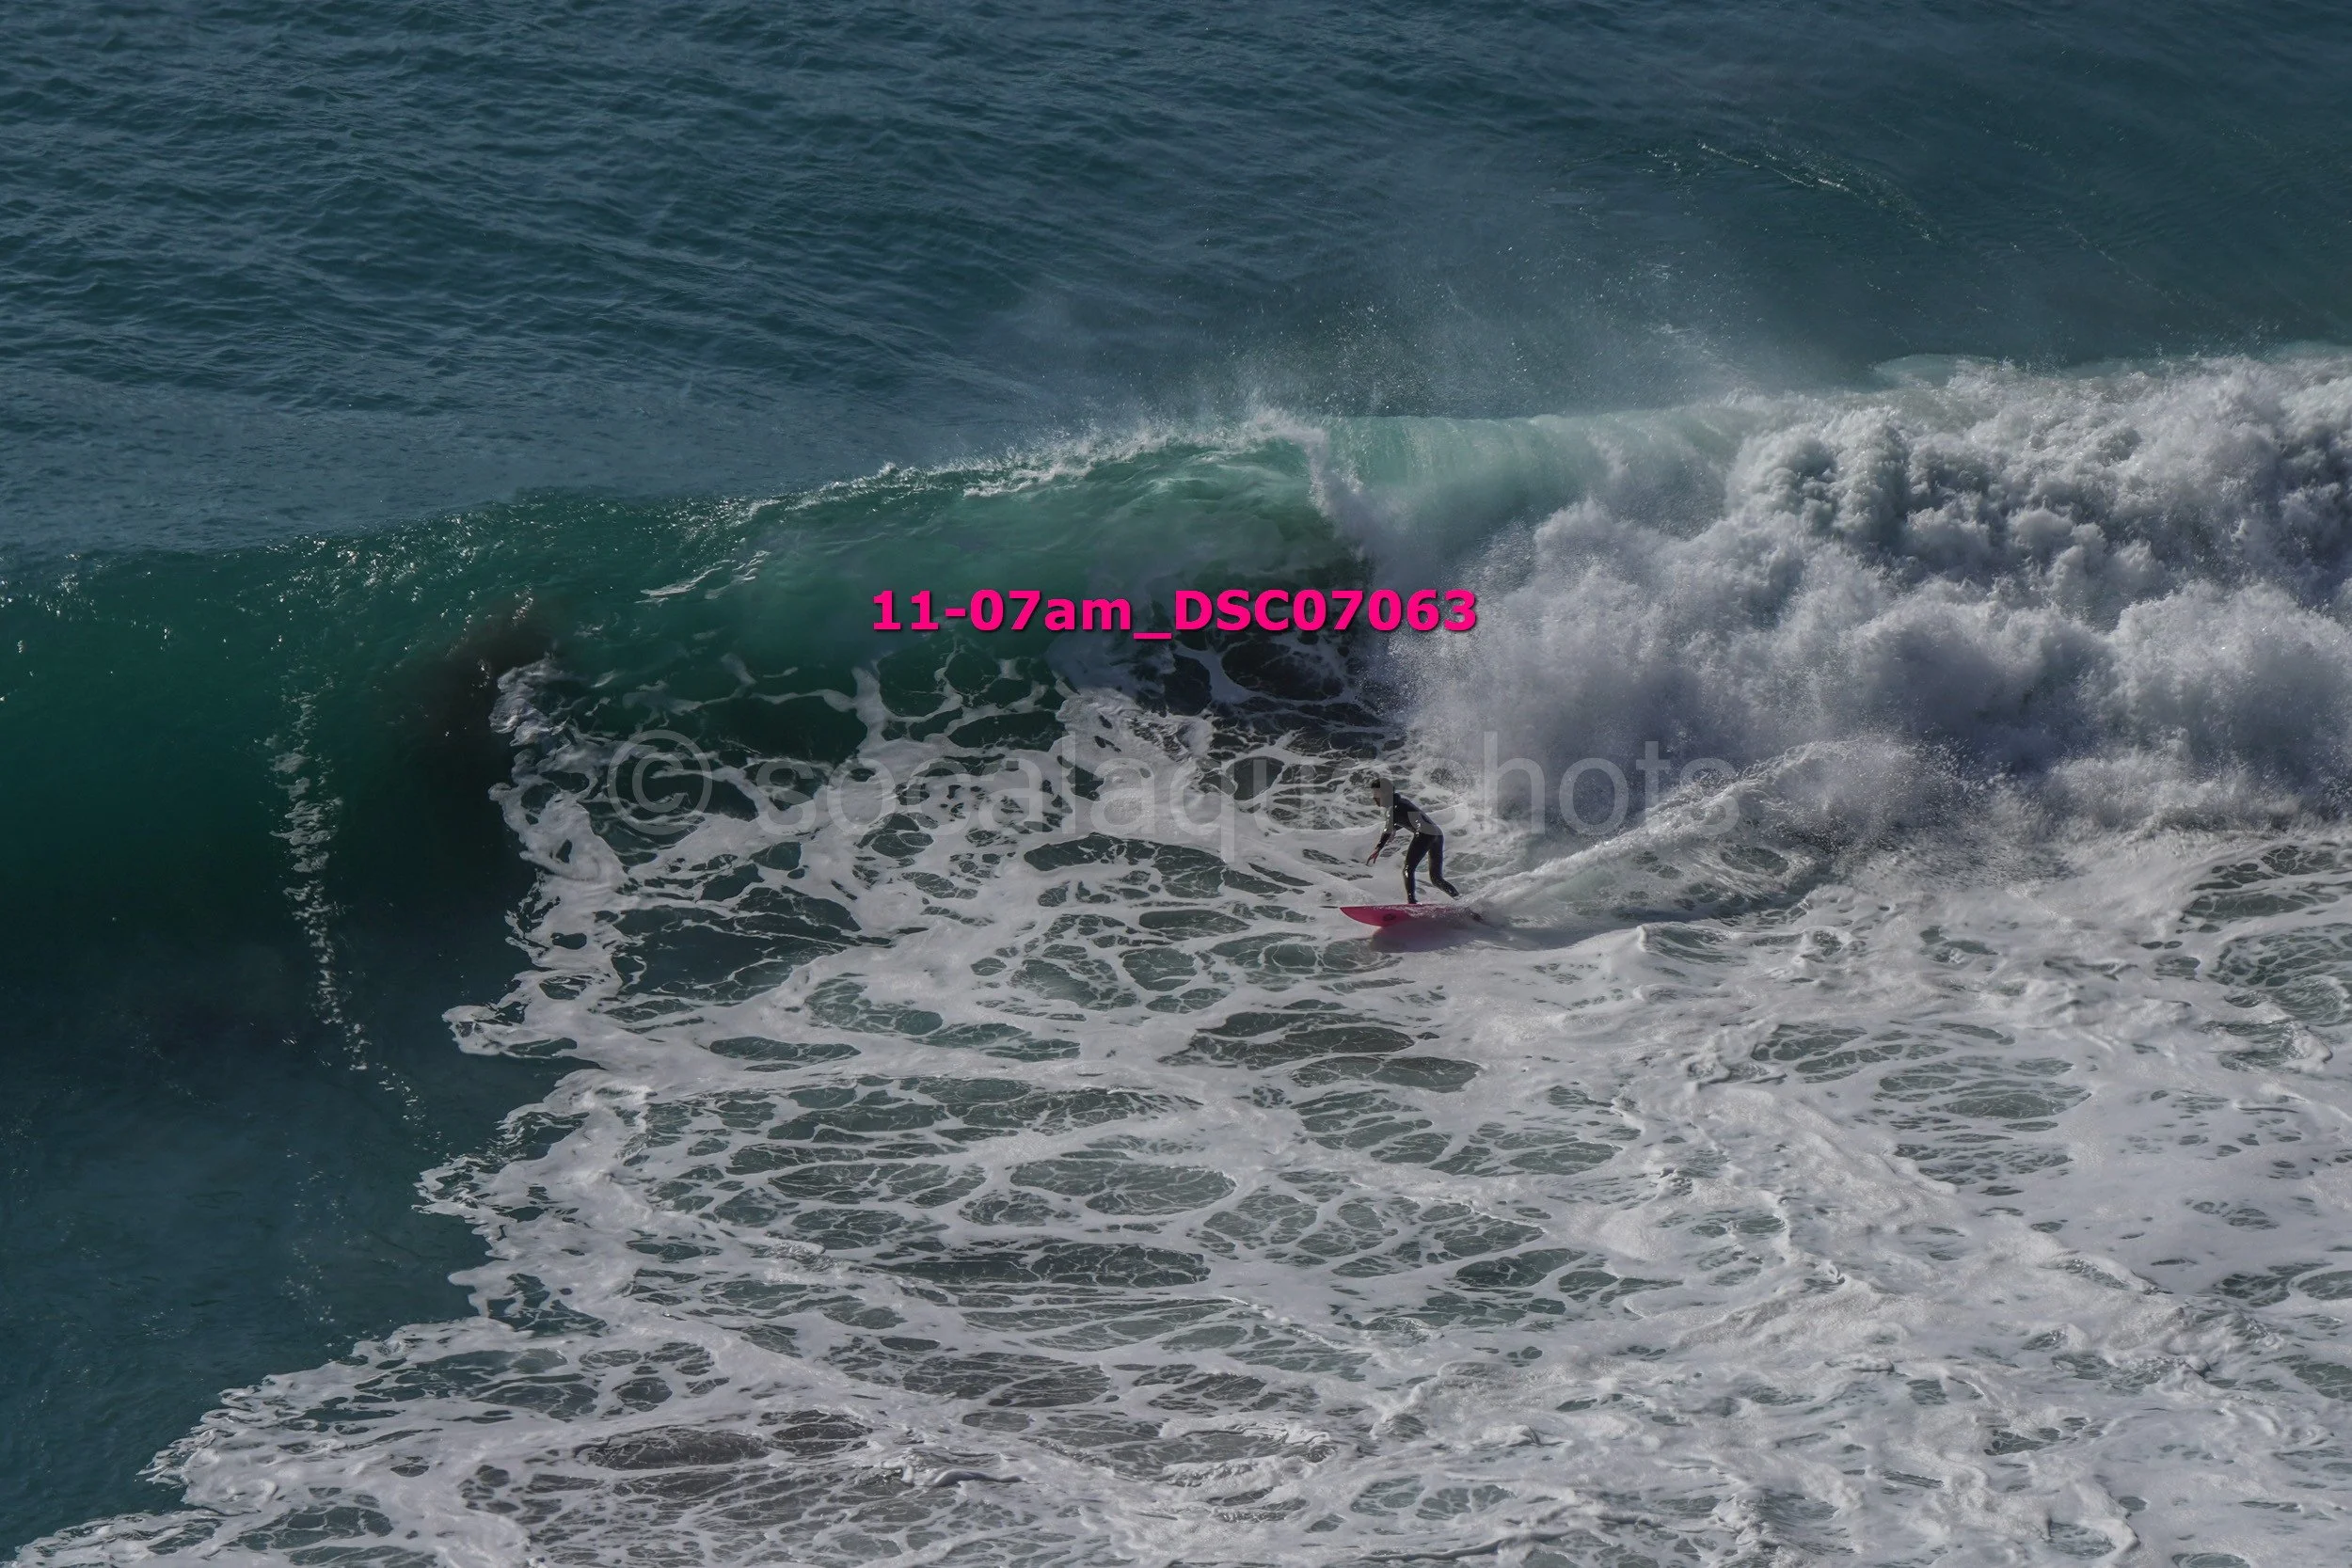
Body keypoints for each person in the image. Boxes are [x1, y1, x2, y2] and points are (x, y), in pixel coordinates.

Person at [1366, 778, 1457, 903]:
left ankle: (1411, 902)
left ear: (1385, 793)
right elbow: (1409, 819)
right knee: (1436, 878)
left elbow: (1388, 828)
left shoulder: (1392, 809)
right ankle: (1459, 899)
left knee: (1408, 869)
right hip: (1437, 834)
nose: (1374, 797)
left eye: (1376, 793)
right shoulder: (1403, 802)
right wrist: (1394, 828)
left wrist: (1378, 848)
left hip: (1424, 834)